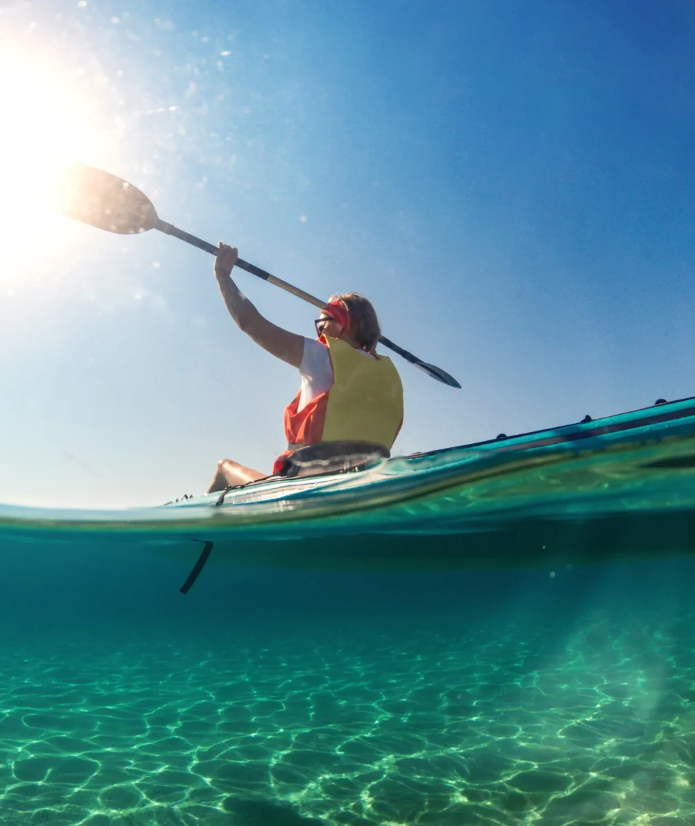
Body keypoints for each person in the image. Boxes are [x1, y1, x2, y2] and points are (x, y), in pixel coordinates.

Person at [206, 243, 404, 493]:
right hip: (366, 482)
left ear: (342, 323)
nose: (319, 331)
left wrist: (223, 276)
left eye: (323, 321)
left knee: (224, 467)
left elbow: (251, 323)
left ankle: (204, 517)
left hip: (306, 484)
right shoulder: (388, 376)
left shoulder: (322, 356)